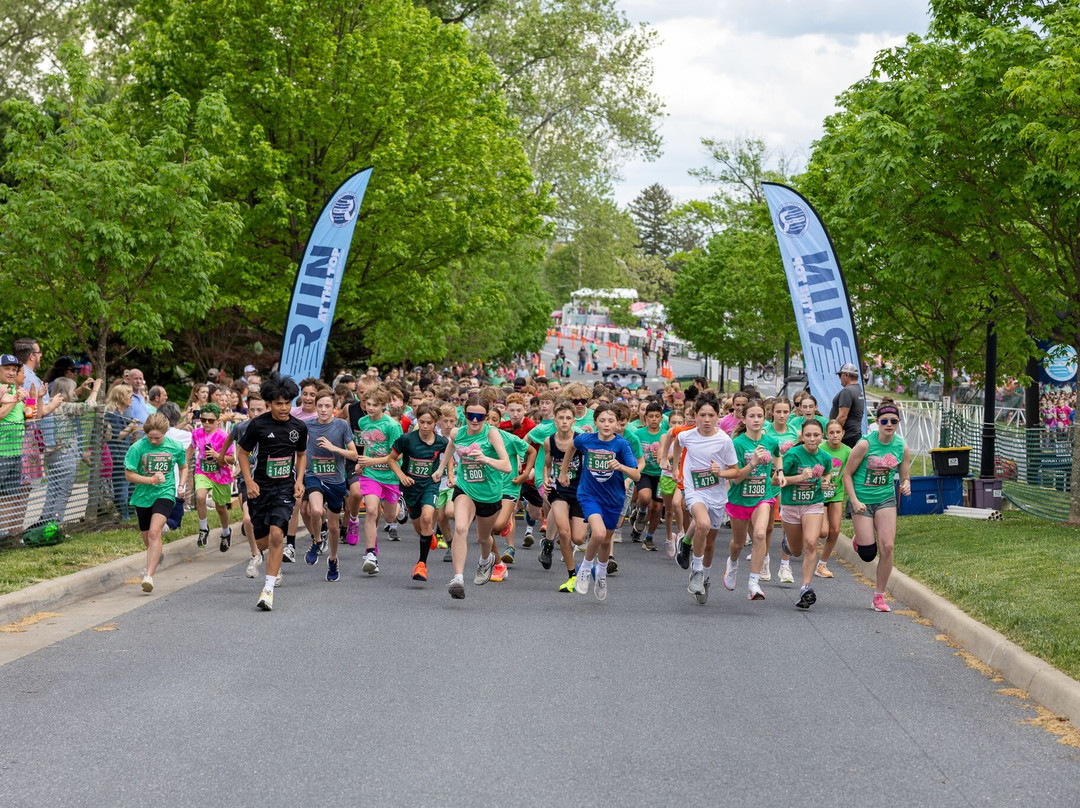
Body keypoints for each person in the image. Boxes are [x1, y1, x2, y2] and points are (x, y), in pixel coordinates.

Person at [238, 373, 308, 611]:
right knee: (262, 541)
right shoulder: (258, 425)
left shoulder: (298, 427)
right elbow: (242, 453)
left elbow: (301, 455)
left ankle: (268, 589)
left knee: (277, 534)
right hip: (260, 488)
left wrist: (299, 481)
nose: (284, 408)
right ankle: (269, 560)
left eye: (288, 403)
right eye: (279, 404)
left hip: (284, 488)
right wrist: (249, 481)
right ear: (269, 404)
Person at [558, 402, 641, 602]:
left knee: (606, 540)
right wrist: (563, 471)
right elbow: (572, 446)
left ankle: (601, 573)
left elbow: (637, 475)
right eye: (602, 420)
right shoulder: (586, 439)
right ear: (595, 422)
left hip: (613, 498)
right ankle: (585, 568)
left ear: (617, 424)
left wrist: (621, 467)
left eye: (611, 421)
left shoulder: (621, 444)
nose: (606, 424)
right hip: (589, 494)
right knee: (599, 533)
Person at [437, 395, 512, 599]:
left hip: (489, 493)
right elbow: (452, 444)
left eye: (480, 416)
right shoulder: (458, 432)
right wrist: (442, 468)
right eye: (471, 415)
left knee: (483, 538)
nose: (475, 420)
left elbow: (507, 466)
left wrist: (486, 459)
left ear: (486, 417)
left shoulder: (492, 434)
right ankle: (458, 579)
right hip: (465, 488)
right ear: (464, 414)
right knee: (461, 527)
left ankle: (486, 560)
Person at [668, 393, 739, 605]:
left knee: (709, 543)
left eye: (711, 415)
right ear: (695, 416)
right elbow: (676, 442)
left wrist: (721, 473)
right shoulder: (687, 435)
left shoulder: (724, 441)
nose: (707, 420)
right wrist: (675, 467)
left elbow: (735, 471)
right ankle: (697, 571)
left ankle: (702, 572)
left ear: (718, 416)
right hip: (694, 490)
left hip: (716, 494)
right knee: (703, 523)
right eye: (702, 415)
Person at [843, 398, 912, 612]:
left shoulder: (901, 446)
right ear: (877, 422)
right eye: (884, 421)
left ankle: (879, 596)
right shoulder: (865, 444)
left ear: (898, 422)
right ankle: (860, 540)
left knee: (888, 547)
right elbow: (846, 474)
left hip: (885, 499)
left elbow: (905, 476)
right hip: (862, 500)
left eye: (893, 421)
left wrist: (906, 485)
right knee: (867, 554)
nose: (889, 424)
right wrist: (854, 501)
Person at [724, 400, 783, 601]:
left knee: (759, 535)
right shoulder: (737, 444)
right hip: (739, 498)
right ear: (744, 419)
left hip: (762, 496)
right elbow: (736, 478)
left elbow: (777, 455)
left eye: (760, 416)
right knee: (738, 543)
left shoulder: (770, 441)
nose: (756, 420)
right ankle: (732, 564)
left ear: (765, 418)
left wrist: (779, 471)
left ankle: (753, 583)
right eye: (752, 416)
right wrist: (754, 463)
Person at [124, 412, 187, 593]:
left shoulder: (175, 446)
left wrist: (181, 485)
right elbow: (129, 474)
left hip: (165, 493)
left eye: (157, 438)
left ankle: (149, 576)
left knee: (154, 532)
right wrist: (151, 480)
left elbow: (183, 466)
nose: (153, 441)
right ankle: (156, 552)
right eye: (150, 437)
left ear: (165, 433)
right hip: (143, 497)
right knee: (148, 539)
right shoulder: (137, 448)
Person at [385, 402, 447, 582]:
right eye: (422, 422)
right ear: (417, 420)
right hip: (410, 488)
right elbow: (391, 460)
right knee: (420, 528)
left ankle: (421, 565)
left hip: (430, 485)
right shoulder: (407, 439)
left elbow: (449, 455)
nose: (425, 426)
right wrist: (401, 475)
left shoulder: (441, 441)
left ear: (435, 422)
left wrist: (447, 472)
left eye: (429, 423)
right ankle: (428, 535)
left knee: (428, 518)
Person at [300, 389, 357, 581]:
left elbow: (354, 455)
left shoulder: (341, 425)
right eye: (320, 406)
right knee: (315, 511)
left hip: (336, 480)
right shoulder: (307, 425)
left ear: (334, 407)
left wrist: (334, 448)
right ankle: (317, 540)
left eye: (327, 406)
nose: (323, 410)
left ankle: (333, 559)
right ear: (315, 407)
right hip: (314, 475)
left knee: (333, 527)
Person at [778, 419, 829, 609]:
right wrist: (800, 477)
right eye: (808, 435)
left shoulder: (825, 457)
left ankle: (805, 588)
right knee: (796, 551)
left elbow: (827, 473)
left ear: (822, 436)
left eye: (816, 435)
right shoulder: (793, 455)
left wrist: (825, 481)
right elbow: (775, 480)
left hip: (813, 504)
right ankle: (788, 543)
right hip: (791, 505)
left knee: (811, 542)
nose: (812, 439)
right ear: (802, 436)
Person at [46, 376, 102, 523]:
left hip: (53, 454)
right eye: (72, 390)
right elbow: (88, 406)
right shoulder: (66, 407)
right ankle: (56, 524)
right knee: (63, 491)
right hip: (66, 454)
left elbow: (71, 398)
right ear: (64, 392)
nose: (74, 393)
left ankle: (45, 522)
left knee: (53, 489)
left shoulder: (50, 404)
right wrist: (95, 389)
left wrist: (81, 388)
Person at [185, 402, 234, 551]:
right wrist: (184, 462)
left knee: (220, 507)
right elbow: (192, 448)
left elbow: (232, 459)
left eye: (210, 420)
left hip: (221, 474)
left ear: (218, 421)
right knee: (200, 497)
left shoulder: (224, 437)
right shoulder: (196, 433)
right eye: (203, 419)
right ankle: (203, 529)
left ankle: (226, 532)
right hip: (203, 471)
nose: (206, 423)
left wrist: (217, 455)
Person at [816, 419, 851, 579]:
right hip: (820, 493)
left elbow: (849, 472)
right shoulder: (821, 449)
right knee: (823, 532)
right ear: (826, 434)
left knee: (835, 530)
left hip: (836, 493)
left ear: (843, 433)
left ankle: (822, 564)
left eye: (838, 432)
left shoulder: (848, 451)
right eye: (831, 432)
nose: (835, 435)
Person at [0, 355, 28, 536]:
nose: (11, 373)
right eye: (7, 369)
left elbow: (29, 417)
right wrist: (16, 400)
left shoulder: (14, 390)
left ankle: (3, 533)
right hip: (1, 452)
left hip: (16, 452)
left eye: (14, 369)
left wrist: (32, 400)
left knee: (9, 495)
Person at [104, 382, 139, 521]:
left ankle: (131, 512)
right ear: (121, 397)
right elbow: (117, 436)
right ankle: (124, 515)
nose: (132, 400)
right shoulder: (112, 414)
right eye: (130, 396)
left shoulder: (121, 414)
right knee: (121, 486)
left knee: (130, 485)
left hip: (124, 453)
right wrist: (132, 425)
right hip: (117, 455)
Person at [829, 362, 866, 448]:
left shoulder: (847, 391)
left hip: (846, 438)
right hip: (855, 434)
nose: (839, 378)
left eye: (840, 375)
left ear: (847, 375)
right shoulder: (858, 389)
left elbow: (842, 416)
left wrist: (833, 432)